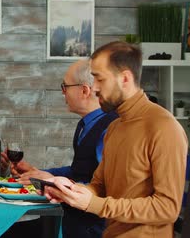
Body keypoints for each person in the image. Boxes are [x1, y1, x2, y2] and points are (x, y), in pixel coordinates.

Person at [42, 41, 188, 237]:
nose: (93, 88)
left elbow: (167, 208)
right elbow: (99, 186)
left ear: (125, 78)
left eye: (99, 79)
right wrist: (70, 191)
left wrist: (94, 204)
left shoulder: (164, 127)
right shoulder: (115, 127)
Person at [7, 59, 117, 238]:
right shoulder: (85, 125)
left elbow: (106, 188)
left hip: (91, 228)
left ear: (84, 90)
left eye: (65, 87)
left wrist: (52, 180)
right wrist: (39, 172)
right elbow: (79, 171)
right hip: (72, 218)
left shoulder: (109, 129)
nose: (63, 93)